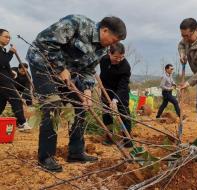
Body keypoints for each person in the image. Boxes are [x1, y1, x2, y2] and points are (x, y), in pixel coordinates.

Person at [26, 15, 127, 172]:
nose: (113, 45)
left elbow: (88, 70)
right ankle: (46, 156)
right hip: (42, 64)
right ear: (105, 30)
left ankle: (76, 152)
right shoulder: (77, 24)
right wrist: (61, 68)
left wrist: (87, 90)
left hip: (67, 74)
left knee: (80, 106)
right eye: (113, 40)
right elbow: (46, 41)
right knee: (52, 104)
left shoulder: (103, 49)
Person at [99, 42, 133, 147]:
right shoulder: (103, 60)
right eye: (116, 57)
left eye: (121, 57)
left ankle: (127, 139)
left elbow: (123, 86)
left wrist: (115, 99)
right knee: (106, 115)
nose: (118, 60)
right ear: (109, 53)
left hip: (121, 93)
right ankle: (110, 138)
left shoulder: (126, 67)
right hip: (106, 91)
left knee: (124, 116)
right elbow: (102, 76)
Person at [0, 29, 31, 132]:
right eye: (6, 36)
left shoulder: (2, 50)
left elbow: (4, 65)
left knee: (1, 102)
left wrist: (10, 72)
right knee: (16, 98)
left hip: (5, 78)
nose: (8, 39)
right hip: (2, 80)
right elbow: (2, 61)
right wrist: (11, 52)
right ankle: (22, 123)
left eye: (9, 37)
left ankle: (21, 122)